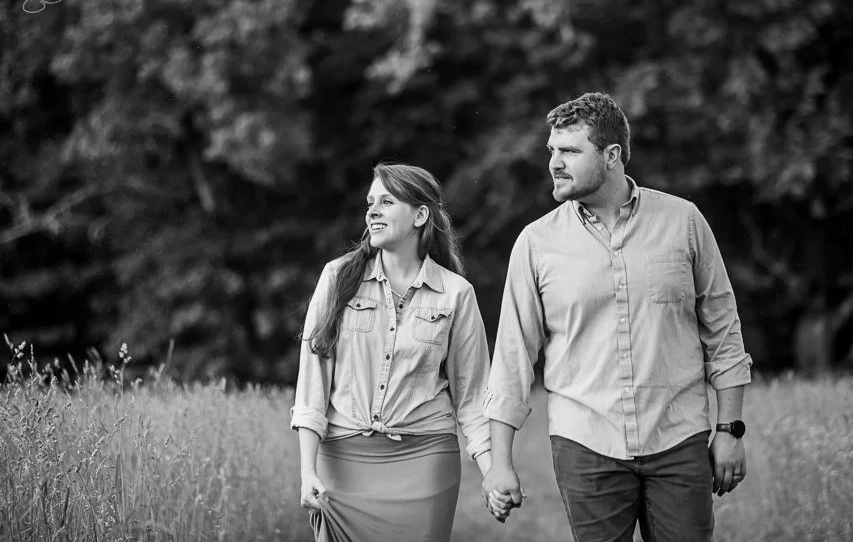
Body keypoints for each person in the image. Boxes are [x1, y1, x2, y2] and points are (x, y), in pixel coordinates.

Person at [480, 93, 754, 541]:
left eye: (569, 151)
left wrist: (730, 430)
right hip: (585, 445)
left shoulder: (683, 222)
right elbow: (512, 357)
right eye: (551, 150)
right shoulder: (536, 243)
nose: (554, 163)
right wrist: (500, 463)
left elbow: (724, 333)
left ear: (612, 156)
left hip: (678, 438)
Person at [291, 162, 503, 542]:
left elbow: (472, 400)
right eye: (370, 202)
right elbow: (312, 388)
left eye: (386, 202)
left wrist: (493, 473)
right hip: (343, 462)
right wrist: (307, 471)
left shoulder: (457, 294)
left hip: (425, 462)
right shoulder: (337, 279)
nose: (372, 210)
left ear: (420, 215)